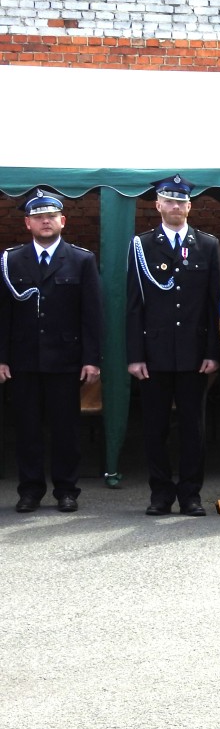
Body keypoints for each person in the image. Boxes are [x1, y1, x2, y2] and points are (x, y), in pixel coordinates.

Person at [126, 175, 220, 517]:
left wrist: (213, 351)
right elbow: (134, 305)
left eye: (181, 201)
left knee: (193, 429)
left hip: (194, 355)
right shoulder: (142, 245)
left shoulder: (207, 245)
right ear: (158, 205)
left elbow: (215, 304)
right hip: (154, 355)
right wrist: (135, 356)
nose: (175, 207)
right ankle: (161, 494)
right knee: (155, 428)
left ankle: (190, 495)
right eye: (169, 201)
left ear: (189, 206)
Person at [0, 189, 102, 514]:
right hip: (24, 359)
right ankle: (30, 490)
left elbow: (92, 314)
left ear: (63, 221)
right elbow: (3, 314)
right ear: (28, 223)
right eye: (39, 217)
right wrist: (2, 357)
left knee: (65, 429)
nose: (46, 221)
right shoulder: (11, 260)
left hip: (65, 359)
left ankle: (66, 490)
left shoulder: (81, 259)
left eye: (51, 216)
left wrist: (91, 359)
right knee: (27, 428)